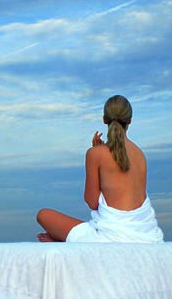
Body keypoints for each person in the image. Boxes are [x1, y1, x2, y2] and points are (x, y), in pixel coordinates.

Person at [36, 95, 164, 243]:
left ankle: (64, 241)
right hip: (146, 236)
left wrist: (96, 155)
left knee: (43, 215)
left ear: (104, 119)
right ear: (129, 120)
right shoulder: (140, 154)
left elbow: (92, 203)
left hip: (109, 237)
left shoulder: (95, 154)